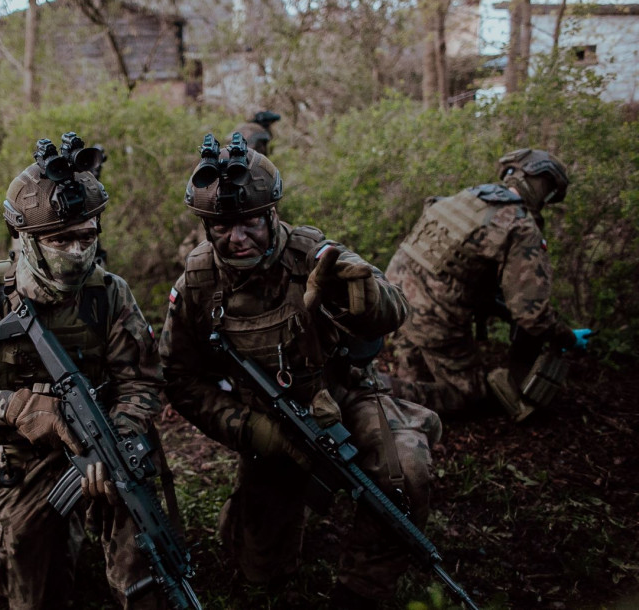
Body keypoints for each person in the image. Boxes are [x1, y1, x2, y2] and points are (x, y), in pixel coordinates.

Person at [160, 133, 440, 609]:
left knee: (404, 471)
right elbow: (180, 379)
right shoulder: (197, 284)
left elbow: (395, 311)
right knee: (259, 569)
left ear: (271, 213)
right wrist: (252, 430)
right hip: (268, 419)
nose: (237, 237)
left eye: (249, 222)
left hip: (344, 394)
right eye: (222, 226)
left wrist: (365, 296)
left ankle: (362, 588)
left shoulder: (313, 253)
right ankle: (249, 511)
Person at [0, 133, 166, 609]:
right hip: (23, 459)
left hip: (106, 443)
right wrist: (11, 406)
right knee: (31, 585)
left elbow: (143, 380)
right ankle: (27, 540)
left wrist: (122, 439)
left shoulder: (110, 293)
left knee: (150, 557)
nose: (76, 252)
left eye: (86, 237)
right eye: (59, 239)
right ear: (25, 238)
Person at [383, 148, 591, 420]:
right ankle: (371, 392)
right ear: (544, 187)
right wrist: (567, 336)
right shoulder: (521, 226)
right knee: (470, 393)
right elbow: (532, 315)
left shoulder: (468, 197)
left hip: (391, 300)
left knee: (415, 375)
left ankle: (384, 392)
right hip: (431, 317)